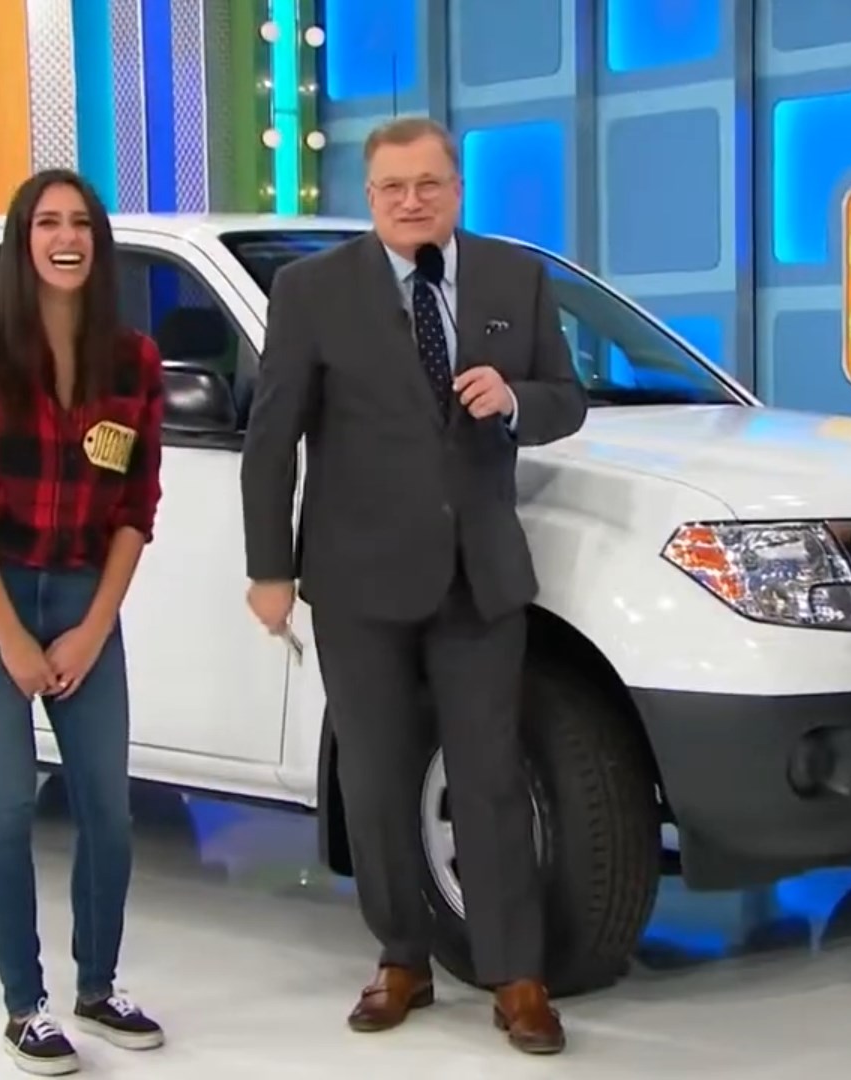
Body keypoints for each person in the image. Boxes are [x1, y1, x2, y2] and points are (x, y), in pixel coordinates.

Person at [239, 115, 588, 1055]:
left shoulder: (516, 277)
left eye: (428, 184)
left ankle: (516, 975)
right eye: (392, 188)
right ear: (370, 195)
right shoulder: (313, 290)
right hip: (357, 581)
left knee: (489, 778)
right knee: (379, 779)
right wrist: (270, 567)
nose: (411, 201)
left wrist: (515, 401)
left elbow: (567, 397)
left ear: (456, 188)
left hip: (480, 575)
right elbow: (271, 441)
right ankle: (402, 957)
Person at [0, 167, 168, 1075]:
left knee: (109, 805)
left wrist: (92, 628)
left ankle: (98, 986)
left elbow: (138, 506)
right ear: (23, 242)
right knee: (12, 798)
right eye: (47, 222)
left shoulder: (132, 362)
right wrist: (13, 640)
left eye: (81, 223)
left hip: (81, 598)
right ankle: (23, 1004)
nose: (66, 237)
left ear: (98, 243)